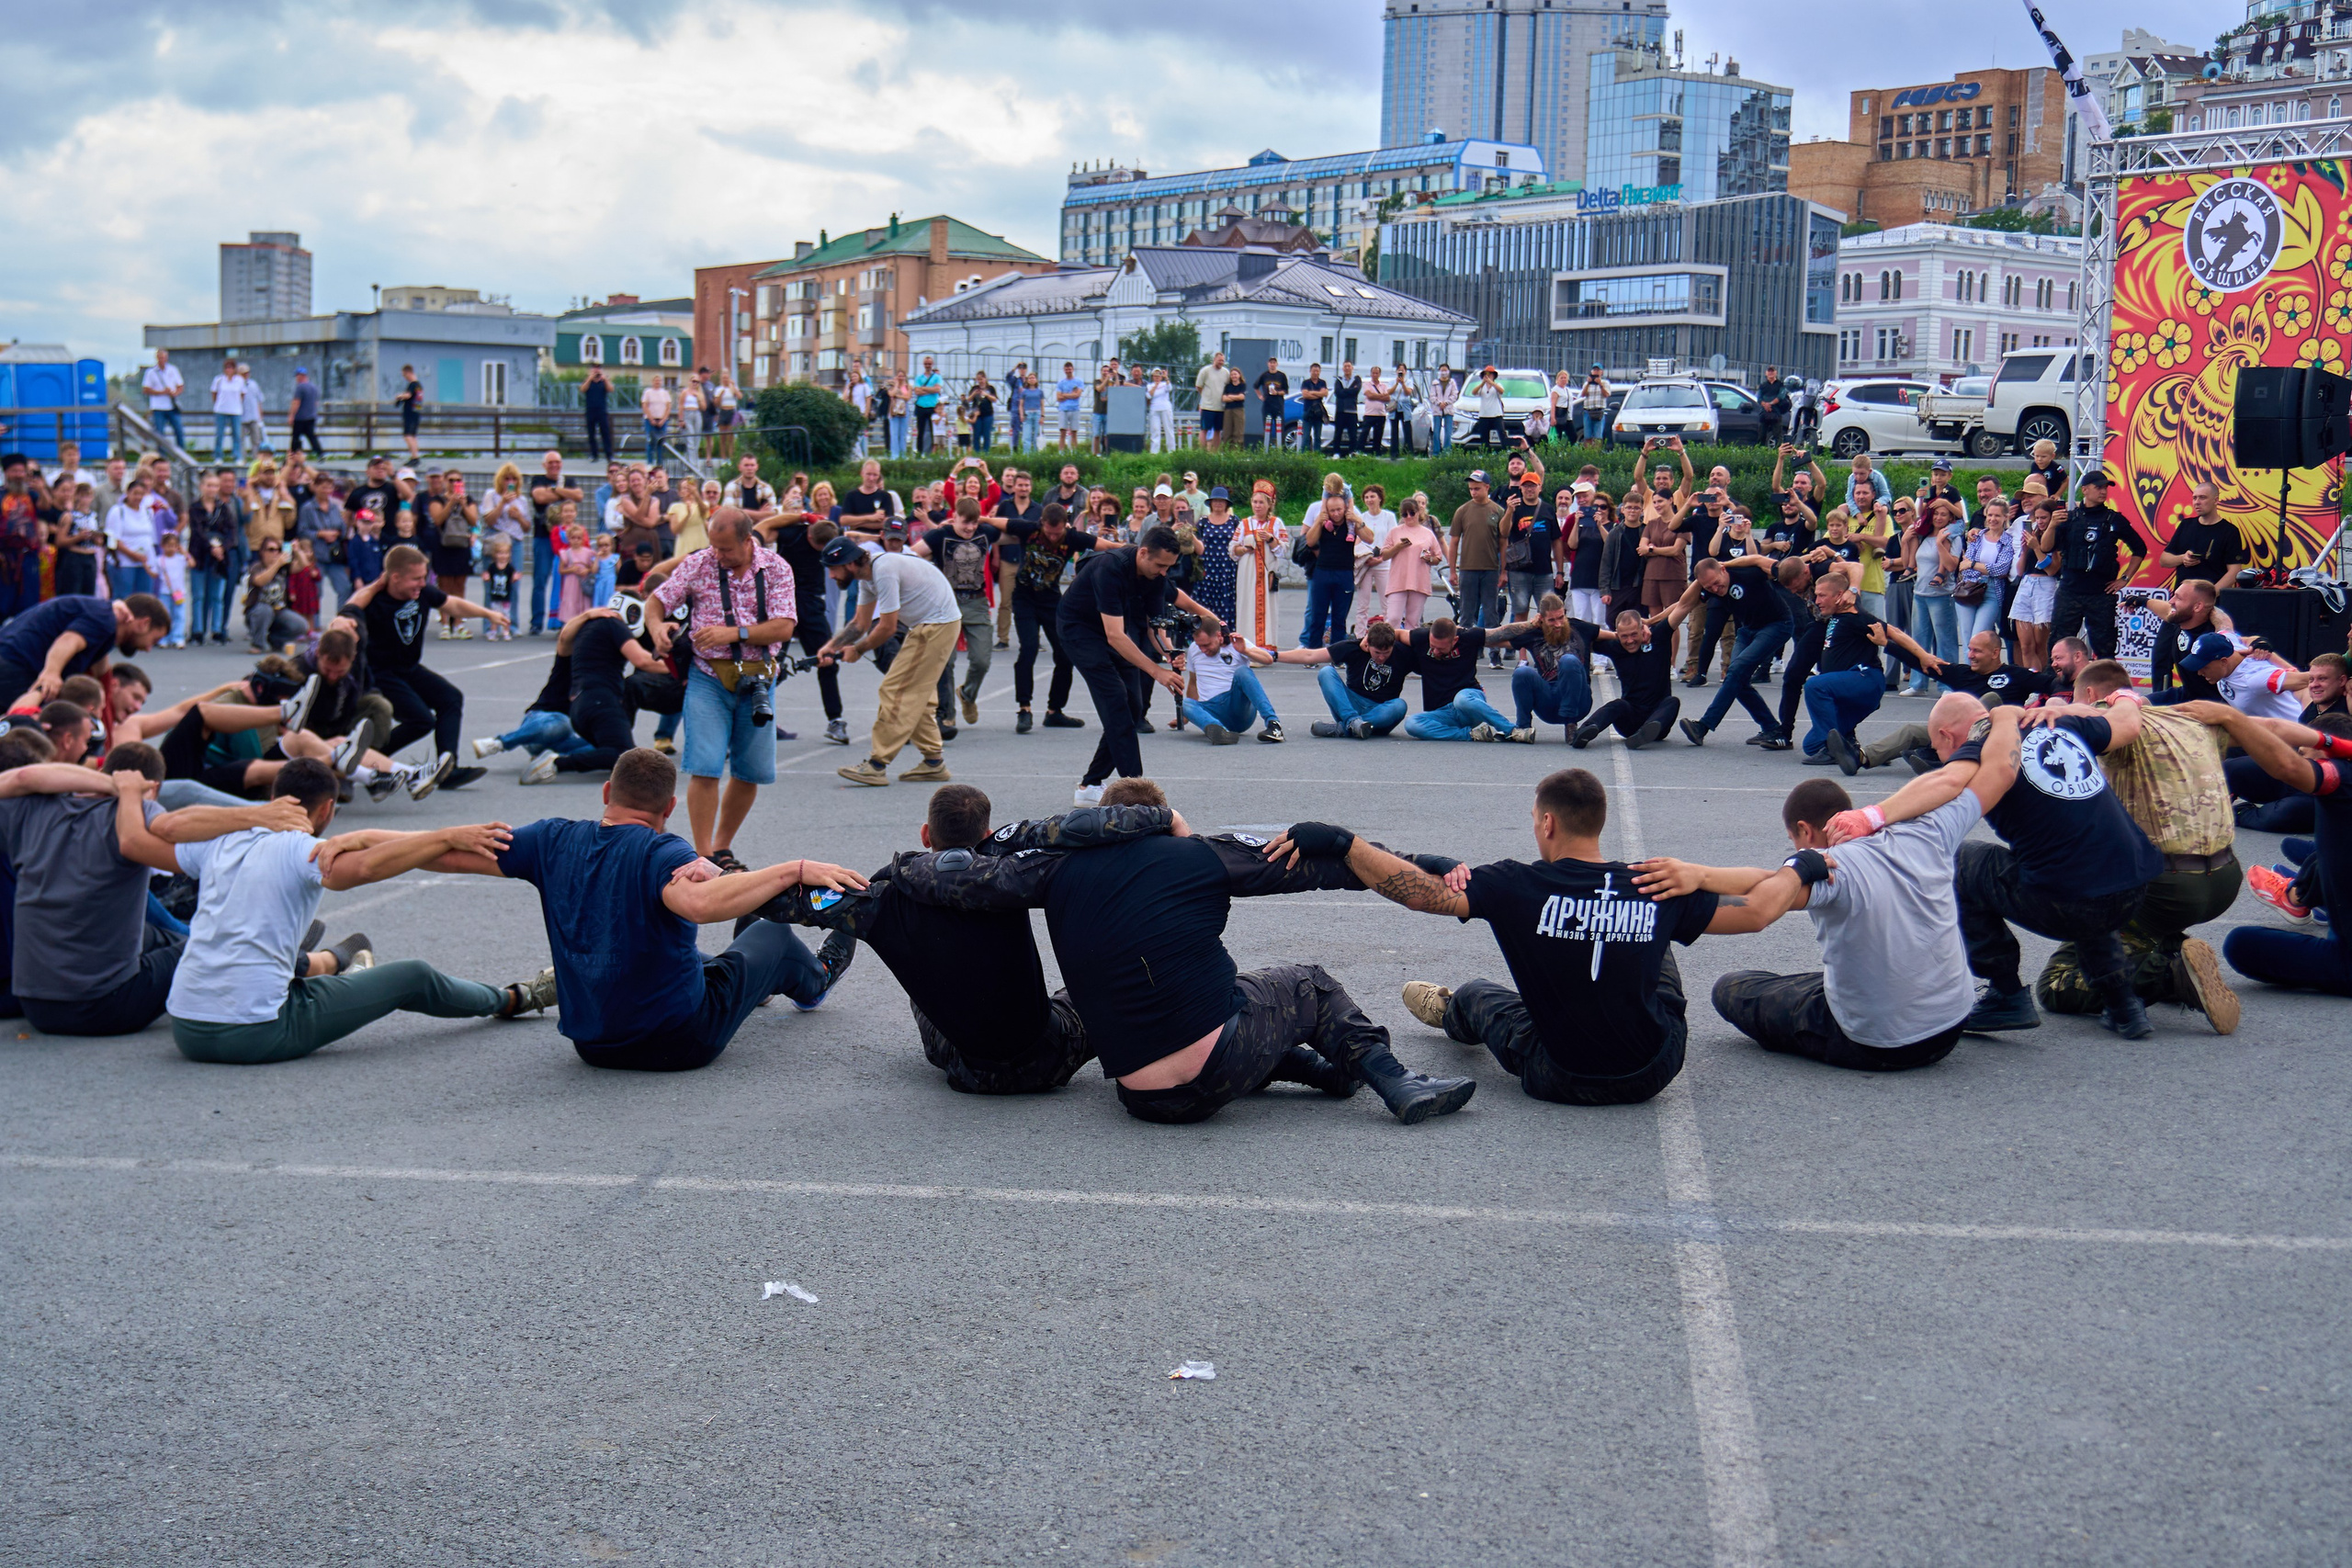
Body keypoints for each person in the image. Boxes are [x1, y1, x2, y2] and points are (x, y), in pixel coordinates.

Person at [887, 780, 1476, 1124]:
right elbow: (1333, 865)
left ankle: (1311, 1068)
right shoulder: (1203, 854)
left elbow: (959, 876)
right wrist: (1431, 863)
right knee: (1310, 985)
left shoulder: (1046, 871)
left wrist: (903, 868)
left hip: (1140, 1100)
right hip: (1214, 1072)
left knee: (1116, 991)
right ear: (1159, 820)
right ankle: (1396, 1082)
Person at [1283, 771, 1800, 1106]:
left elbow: (1418, 894)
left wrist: (1346, 843)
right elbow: (1760, 910)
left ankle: (1451, 1012)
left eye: (1534, 821)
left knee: (1480, 996)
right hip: (1653, 1067)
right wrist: (1798, 865)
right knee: (1656, 932)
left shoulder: (1517, 884)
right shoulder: (1657, 882)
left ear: (1548, 822)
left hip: (1561, 1076)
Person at [443, 747, 862, 1069]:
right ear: (670, 808)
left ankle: (757, 986)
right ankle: (817, 980)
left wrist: (388, 846)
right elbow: (698, 905)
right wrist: (796, 869)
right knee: (771, 933)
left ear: (607, 792)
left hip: (593, 1045)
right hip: (680, 1042)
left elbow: (450, 854)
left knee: (691, 952)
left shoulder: (550, 839)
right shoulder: (665, 851)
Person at [150, 759, 551, 1062]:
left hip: (187, 1028)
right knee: (414, 975)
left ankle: (332, 964)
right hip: (256, 1032)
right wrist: (445, 835)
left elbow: (140, 839)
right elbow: (366, 866)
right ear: (326, 810)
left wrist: (131, 794)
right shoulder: (303, 848)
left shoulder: (222, 840)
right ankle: (513, 998)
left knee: (259, 938)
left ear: (273, 798)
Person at [1834, 691, 2164, 1040]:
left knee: (1963, 862)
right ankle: (2123, 1004)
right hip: (2133, 885)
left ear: (1947, 735)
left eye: (1937, 747)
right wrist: (2126, 696)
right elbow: (2127, 724)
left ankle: (2005, 992)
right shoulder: (2056, 722)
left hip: (2071, 903)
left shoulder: (1982, 744)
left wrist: (1871, 816)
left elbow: (1945, 782)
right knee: (2071, 858)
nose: (1943, 756)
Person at [1671, 746, 2017, 1072]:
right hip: (1952, 1023)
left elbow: (1764, 897)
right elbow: (2000, 771)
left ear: (1804, 830)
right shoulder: (1925, 830)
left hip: (1881, 1044)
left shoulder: (1828, 870)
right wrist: (2003, 717)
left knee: (1735, 988)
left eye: (1793, 839)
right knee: (1818, 981)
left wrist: (1694, 879)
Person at [0, 746, 311, 1036]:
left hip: (35, 1004)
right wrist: (258, 816)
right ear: (155, 788)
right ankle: (312, 963)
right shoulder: (138, 811)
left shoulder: (29, 810)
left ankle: (293, 956)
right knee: (207, 944)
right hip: (103, 1006)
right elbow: (171, 828)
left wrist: (116, 785)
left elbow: (24, 776)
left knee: (158, 933)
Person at [2012, 669, 2242, 1032]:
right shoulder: (2180, 716)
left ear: (2090, 693)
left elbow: (2090, 717)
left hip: (2165, 884)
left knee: (2057, 984)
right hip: (2225, 877)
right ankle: (2171, 949)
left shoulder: (2109, 715)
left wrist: (2057, 708)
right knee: (2138, 917)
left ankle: (2170, 973)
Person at [639, 510, 797, 860]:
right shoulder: (701, 564)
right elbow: (657, 600)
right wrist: (656, 628)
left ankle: (723, 844)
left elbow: (784, 626)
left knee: (751, 771)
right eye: (713, 547)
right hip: (708, 677)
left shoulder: (776, 568)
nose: (718, 556)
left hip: (759, 676)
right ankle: (703, 853)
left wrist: (733, 633)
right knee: (705, 766)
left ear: (747, 540)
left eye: (725, 549)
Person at [2185, 705, 2352, 996]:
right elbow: (2274, 727)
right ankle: (2301, 893)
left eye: (2305, 753)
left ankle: (2297, 896)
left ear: (2325, 759)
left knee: (2240, 944)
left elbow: (2286, 766)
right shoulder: (2342, 756)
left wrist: (2227, 716)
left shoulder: (2341, 776)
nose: (2301, 756)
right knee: (2302, 848)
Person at [1058, 526, 1221, 803]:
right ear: (1143, 552)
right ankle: (1138, 797)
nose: (1164, 573)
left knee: (1134, 705)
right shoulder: (1110, 568)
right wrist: (1156, 670)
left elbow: (1153, 628)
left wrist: (1169, 655)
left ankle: (1089, 786)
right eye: (1160, 565)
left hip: (1114, 631)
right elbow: (1114, 635)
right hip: (1080, 630)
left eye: (1169, 567)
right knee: (1116, 700)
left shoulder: (1155, 575)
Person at [340, 545, 505, 789]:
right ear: (394, 578)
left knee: (450, 698)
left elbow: (452, 605)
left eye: (424, 577)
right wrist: (374, 586)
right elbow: (348, 610)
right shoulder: (374, 601)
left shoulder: (423, 593)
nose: (422, 583)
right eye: (416, 579)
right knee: (421, 720)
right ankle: (365, 760)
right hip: (379, 674)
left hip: (409, 668)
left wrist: (488, 614)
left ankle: (448, 769)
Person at [819, 536, 961, 787]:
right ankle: (933, 763)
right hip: (931, 624)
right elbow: (859, 624)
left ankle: (876, 765)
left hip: (936, 625)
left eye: (833, 568)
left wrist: (859, 650)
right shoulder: (868, 576)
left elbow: (887, 627)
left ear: (849, 563)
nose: (831, 576)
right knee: (918, 695)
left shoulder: (883, 570)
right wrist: (831, 647)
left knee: (896, 690)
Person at [1674, 556, 1797, 747]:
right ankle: (1771, 728)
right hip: (1748, 630)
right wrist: (1652, 621)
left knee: (1736, 670)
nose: (1715, 589)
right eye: (1709, 587)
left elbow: (1774, 564)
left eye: (1716, 583)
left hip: (1777, 624)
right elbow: (1681, 605)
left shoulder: (1748, 573)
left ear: (1723, 570)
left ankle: (1703, 726)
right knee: (1736, 677)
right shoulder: (1711, 589)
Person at [913, 498, 1001, 731]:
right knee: (946, 661)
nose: (970, 528)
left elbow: (1015, 532)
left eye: (974, 523)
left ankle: (967, 694)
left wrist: (989, 519)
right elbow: (912, 556)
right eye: (965, 523)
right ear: (955, 517)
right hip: (946, 603)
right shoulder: (939, 535)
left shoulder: (985, 532)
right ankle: (947, 714)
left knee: (982, 660)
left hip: (977, 602)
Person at [2038, 473, 2146, 660]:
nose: (2103, 491)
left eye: (2105, 488)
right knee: (2059, 644)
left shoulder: (2114, 519)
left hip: (2100, 594)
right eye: (2098, 487)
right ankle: (2057, 687)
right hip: (2069, 592)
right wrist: (2053, 525)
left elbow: (2139, 548)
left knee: (2105, 649)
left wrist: (2124, 579)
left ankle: (2106, 687)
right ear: (2085, 490)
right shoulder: (2069, 518)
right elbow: (2046, 547)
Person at [0, 592, 170, 711]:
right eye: (153, 640)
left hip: (14, 660)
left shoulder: (106, 621)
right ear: (144, 624)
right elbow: (68, 641)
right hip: (16, 664)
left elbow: (101, 670)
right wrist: (52, 672)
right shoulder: (105, 619)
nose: (148, 649)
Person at [1396, 615, 1541, 743]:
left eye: (1440, 649)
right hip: (1443, 712)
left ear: (1455, 640)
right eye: (1432, 646)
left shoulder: (1468, 637)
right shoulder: (1420, 637)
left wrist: (1531, 624)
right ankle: (1472, 735)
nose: (1435, 652)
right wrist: (1374, 638)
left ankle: (1513, 731)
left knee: (1461, 699)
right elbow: (1396, 634)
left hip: (1469, 702)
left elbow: (1501, 632)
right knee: (1412, 724)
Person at [1570, 604, 1687, 750]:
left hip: (1659, 720)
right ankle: (1584, 731)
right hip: (1630, 720)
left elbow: (1684, 604)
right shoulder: (1615, 646)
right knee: (1617, 705)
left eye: (1633, 634)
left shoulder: (1659, 636)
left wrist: (1651, 621)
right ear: (1617, 634)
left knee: (1672, 702)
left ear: (1641, 629)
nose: (1630, 640)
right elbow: (1579, 632)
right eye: (1624, 636)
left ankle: (1646, 732)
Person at [1177, 623, 1283, 743]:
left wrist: (1245, 651)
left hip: (1237, 706)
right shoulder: (1193, 649)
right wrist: (1187, 716)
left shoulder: (1236, 643)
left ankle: (1273, 725)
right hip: (1212, 709)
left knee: (1243, 672)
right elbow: (1193, 682)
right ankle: (1219, 731)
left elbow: (1268, 660)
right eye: (1199, 645)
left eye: (1207, 645)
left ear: (1218, 635)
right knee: (1185, 703)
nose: (1203, 650)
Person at [2159, 482, 2243, 588]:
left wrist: (2211, 595)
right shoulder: (2185, 525)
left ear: (2216, 500)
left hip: (2212, 601)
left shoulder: (2230, 531)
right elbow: (2164, 560)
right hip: (2182, 599)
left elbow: (2234, 572)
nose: (2197, 502)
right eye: (2194, 498)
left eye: (2202, 498)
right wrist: (2183, 558)